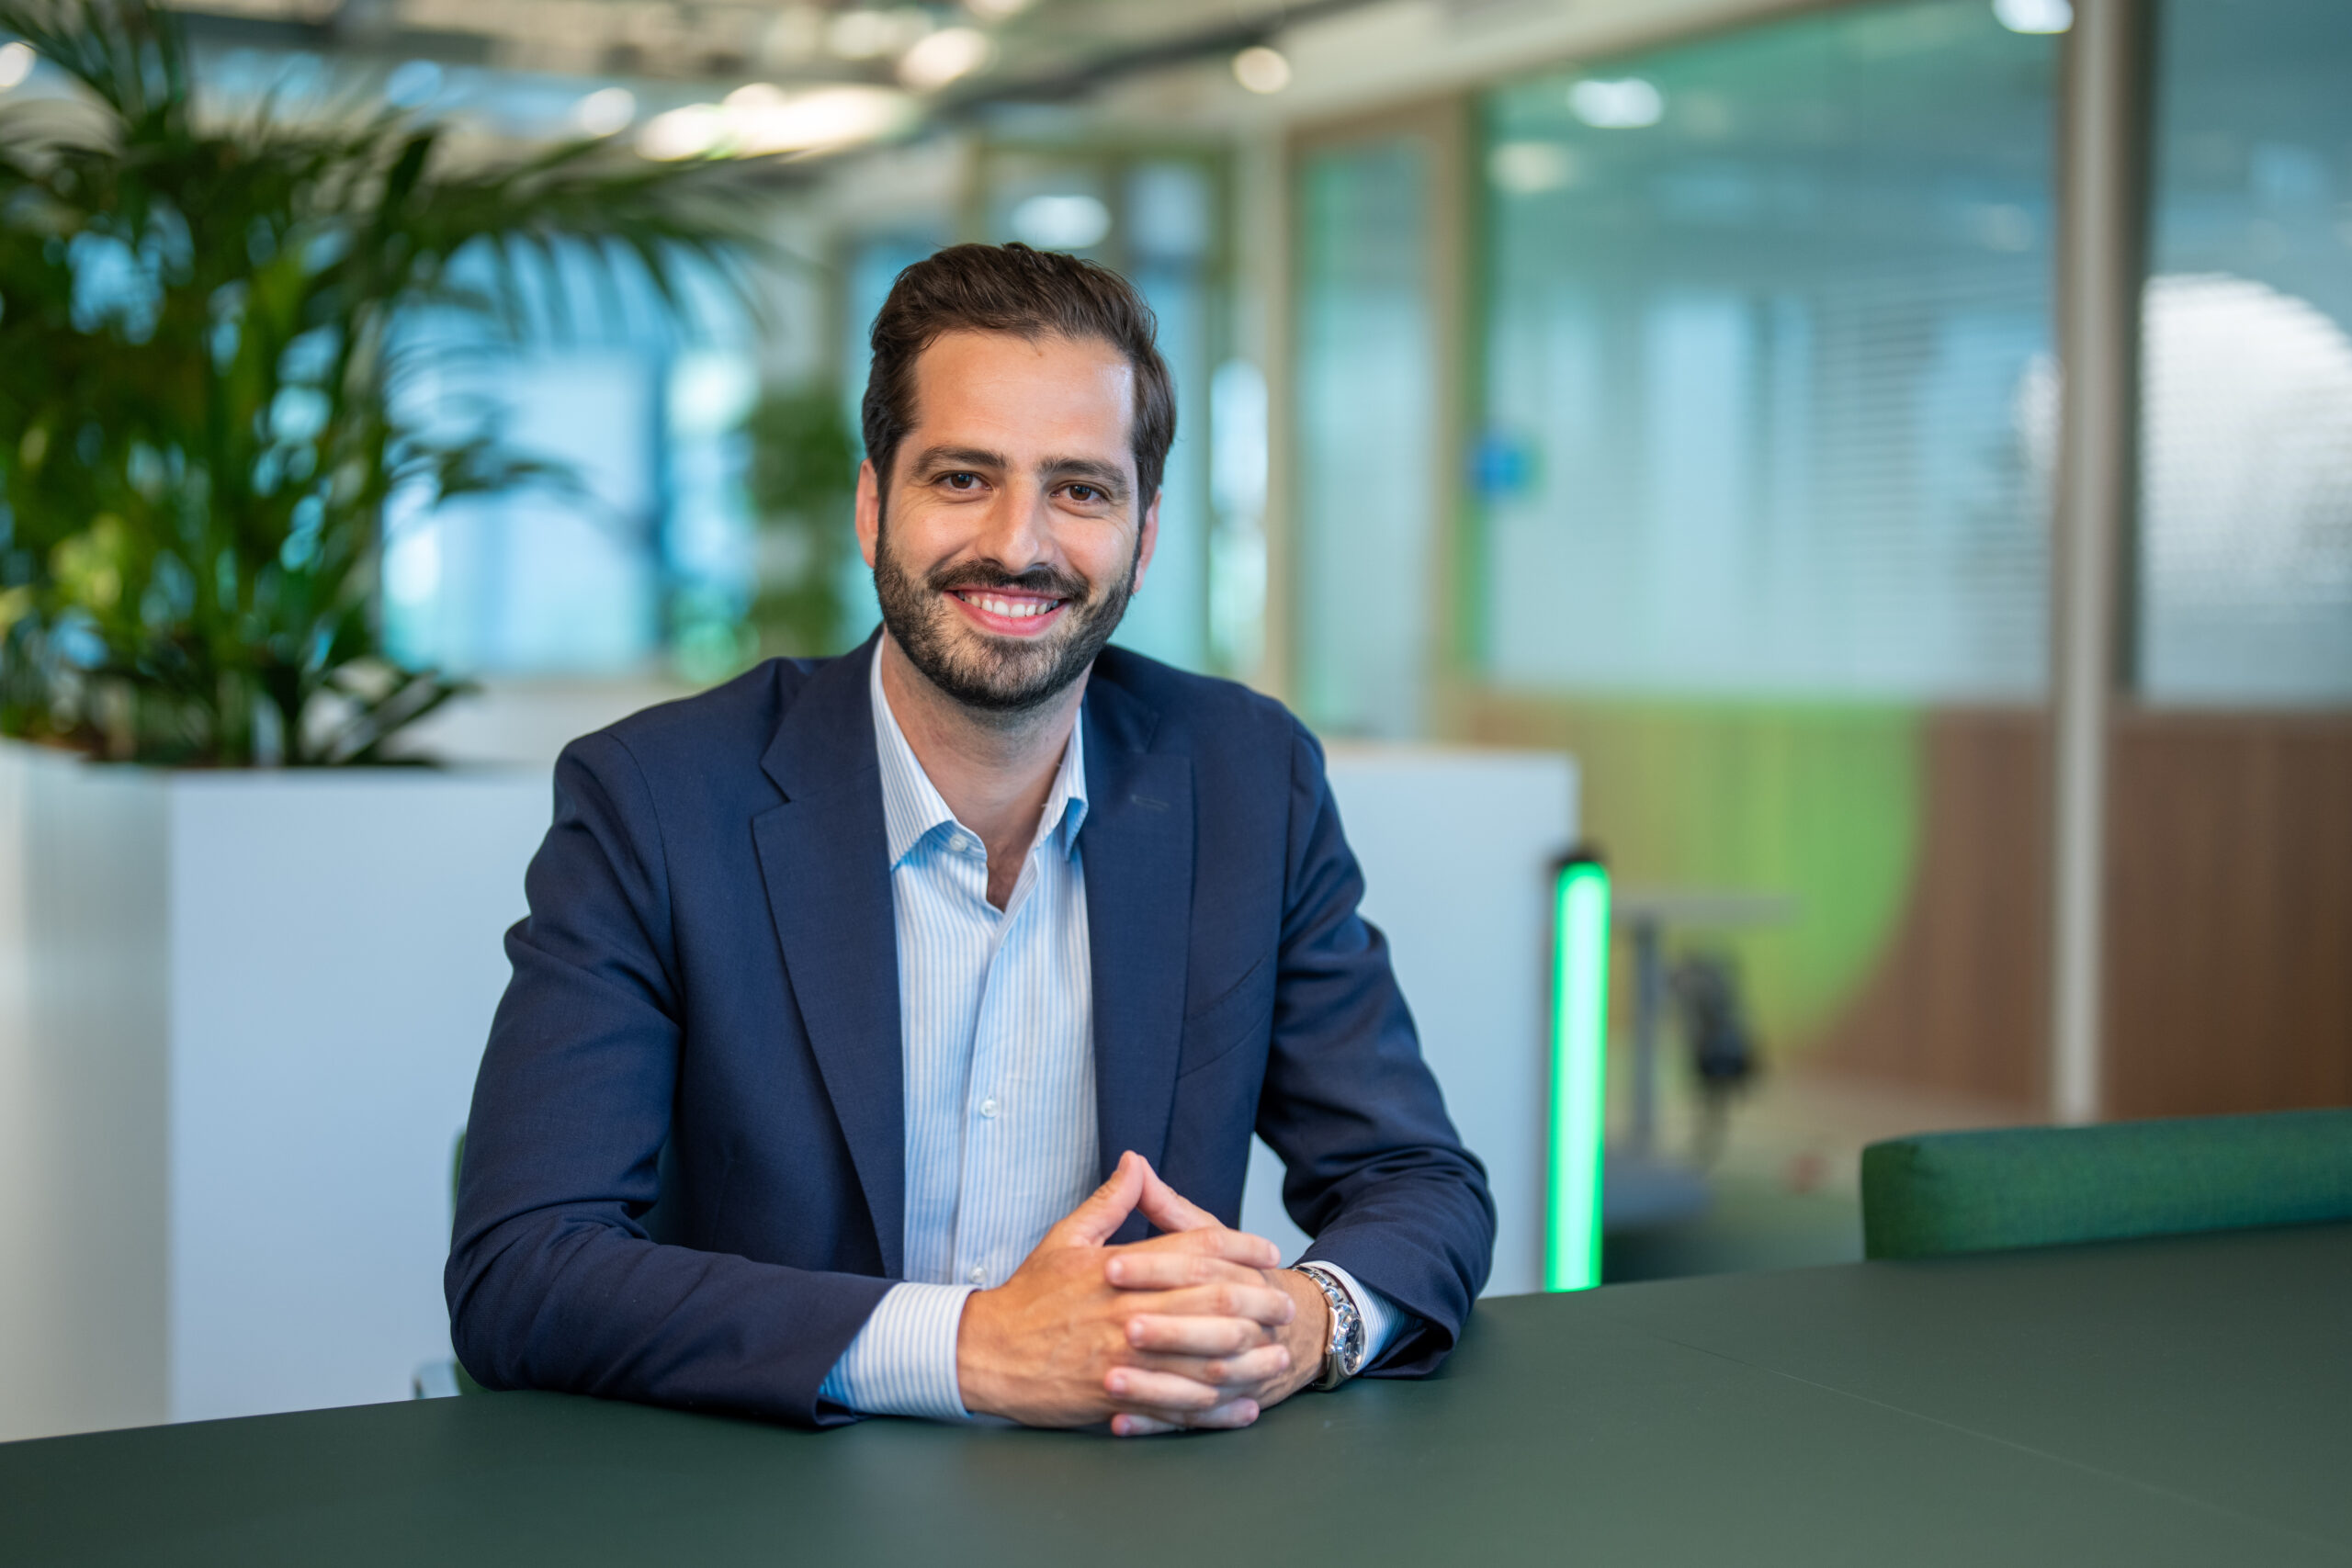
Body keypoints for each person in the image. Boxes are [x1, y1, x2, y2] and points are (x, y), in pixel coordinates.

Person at [446, 243, 1494, 1435]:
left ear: (1145, 535)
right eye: (962, 477)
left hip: (1135, 1488)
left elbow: (1417, 1181)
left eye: (1081, 490)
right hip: (772, 1496)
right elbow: (523, 1268)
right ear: (872, 506)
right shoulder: (659, 799)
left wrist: (1306, 1321)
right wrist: (972, 1348)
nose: (1019, 544)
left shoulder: (1247, 778)